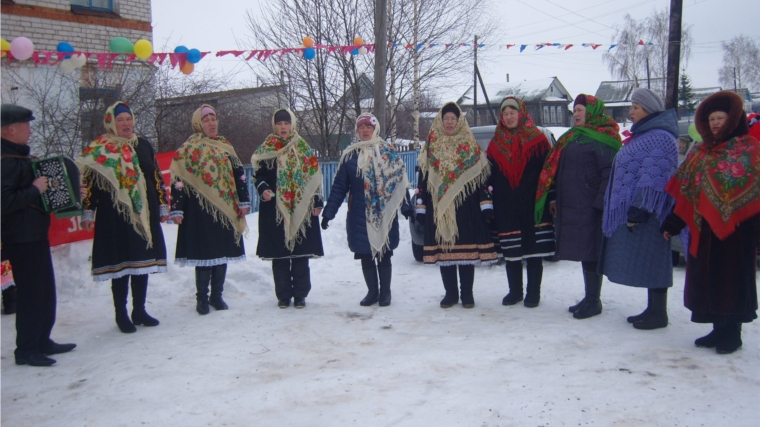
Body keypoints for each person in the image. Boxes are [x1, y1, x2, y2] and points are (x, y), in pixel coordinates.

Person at [661, 90, 759, 354]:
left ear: (733, 119)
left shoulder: (750, 149)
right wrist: (673, 224)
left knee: (732, 281)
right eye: (712, 118)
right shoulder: (700, 152)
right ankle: (717, 329)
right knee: (709, 280)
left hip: (739, 232)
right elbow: (686, 194)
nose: (715, 122)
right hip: (704, 231)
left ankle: (733, 334)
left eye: (721, 117)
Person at [79, 101, 168, 333]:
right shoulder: (100, 149)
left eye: (128, 119)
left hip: (143, 213)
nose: (126, 124)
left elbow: (156, 177)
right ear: (110, 122)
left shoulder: (143, 145)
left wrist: (162, 204)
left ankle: (139, 310)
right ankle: (121, 313)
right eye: (120, 120)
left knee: (142, 261)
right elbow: (90, 184)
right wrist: (88, 210)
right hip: (114, 215)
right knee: (122, 264)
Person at [598, 88, 679, 330]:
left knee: (654, 261)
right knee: (646, 262)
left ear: (649, 109)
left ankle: (659, 313)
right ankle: (652, 309)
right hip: (639, 210)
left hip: (650, 213)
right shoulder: (645, 135)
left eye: (635, 107)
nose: (631, 112)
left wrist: (640, 208)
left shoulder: (661, 137)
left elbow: (656, 177)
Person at [1, 104, 76, 366]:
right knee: (32, 293)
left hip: (33, 234)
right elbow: (4, 202)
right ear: (11, 130)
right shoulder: (5, 161)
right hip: (20, 237)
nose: (30, 131)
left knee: (44, 291)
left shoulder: (17, 157)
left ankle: (42, 340)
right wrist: (35, 190)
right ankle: (26, 350)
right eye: (26, 126)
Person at [535, 94, 621, 319]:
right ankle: (589, 297)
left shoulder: (604, 137)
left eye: (581, 110)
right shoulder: (573, 137)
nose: (576, 114)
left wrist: (600, 204)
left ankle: (594, 300)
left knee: (592, 252)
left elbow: (609, 173)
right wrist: (553, 198)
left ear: (592, 112)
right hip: (573, 204)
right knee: (586, 253)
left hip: (591, 206)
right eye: (575, 110)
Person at [416, 102, 498, 309]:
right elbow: (424, 177)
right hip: (440, 207)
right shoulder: (431, 145)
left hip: (466, 207)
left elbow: (481, 177)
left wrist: (485, 203)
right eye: (446, 119)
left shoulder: (469, 144)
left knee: (466, 253)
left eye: (453, 118)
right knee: (446, 252)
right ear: (440, 122)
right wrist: (421, 205)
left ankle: (467, 294)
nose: (450, 122)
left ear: (459, 120)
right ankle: (450, 294)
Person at [170, 105, 250, 315]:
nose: (211, 123)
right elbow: (178, 180)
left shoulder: (225, 145)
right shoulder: (187, 149)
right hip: (200, 210)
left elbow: (239, 174)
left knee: (222, 253)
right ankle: (202, 299)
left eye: (213, 118)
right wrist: (176, 208)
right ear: (198, 123)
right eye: (206, 120)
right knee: (205, 254)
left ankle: (217, 296)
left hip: (225, 209)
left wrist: (244, 201)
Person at [321, 113, 408, 307]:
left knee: (383, 252)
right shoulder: (350, 155)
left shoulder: (388, 152)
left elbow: (399, 181)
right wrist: (329, 213)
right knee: (366, 254)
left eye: (369, 126)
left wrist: (406, 207)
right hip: (359, 214)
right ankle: (372, 292)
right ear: (357, 131)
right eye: (361, 127)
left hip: (384, 213)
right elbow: (339, 187)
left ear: (375, 129)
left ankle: (386, 292)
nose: (365, 130)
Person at [486, 96, 555, 308]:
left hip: (533, 203)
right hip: (506, 204)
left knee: (533, 250)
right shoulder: (496, 143)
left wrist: (550, 196)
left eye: (512, 113)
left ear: (521, 113)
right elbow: (488, 174)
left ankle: (533, 293)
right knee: (511, 250)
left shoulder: (538, 139)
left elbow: (549, 171)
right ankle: (515, 291)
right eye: (505, 114)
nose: (508, 117)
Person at [251, 109, 324, 309]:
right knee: (280, 255)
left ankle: (300, 295)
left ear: (292, 124)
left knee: (300, 254)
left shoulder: (302, 147)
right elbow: (259, 174)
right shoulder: (267, 148)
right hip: (275, 209)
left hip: (302, 206)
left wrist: (317, 201)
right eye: (279, 123)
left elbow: (314, 176)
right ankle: (283, 295)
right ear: (274, 125)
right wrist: (263, 188)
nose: (283, 127)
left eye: (286, 123)